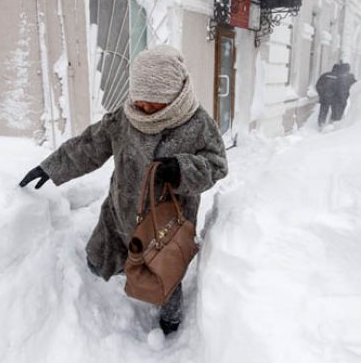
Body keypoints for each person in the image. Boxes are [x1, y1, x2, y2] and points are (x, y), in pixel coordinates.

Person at [19, 45, 228, 335]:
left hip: (167, 223)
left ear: (173, 96)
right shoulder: (126, 116)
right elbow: (91, 145)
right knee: (98, 260)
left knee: (166, 271)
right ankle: (102, 284)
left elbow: (216, 165)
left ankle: (170, 319)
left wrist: (182, 169)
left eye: (152, 104)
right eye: (140, 100)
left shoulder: (198, 123)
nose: (143, 108)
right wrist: (51, 167)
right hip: (121, 212)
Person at [315, 61, 356, 128]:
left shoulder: (325, 75)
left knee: (323, 112)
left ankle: (320, 125)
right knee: (335, 113)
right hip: (335, 99)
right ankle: (332, 125)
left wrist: (321, 94)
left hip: (324, 98)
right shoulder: (340, 78)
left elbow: (318, 85)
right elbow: (340, 89)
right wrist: (341, 98)